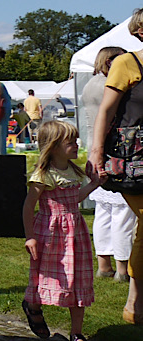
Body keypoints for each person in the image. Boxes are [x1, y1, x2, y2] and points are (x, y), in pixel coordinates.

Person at [20, 120, 101, 341]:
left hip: (75, 233)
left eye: (76, 140)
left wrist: (94, 184)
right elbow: (29, 206)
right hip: (50, 232)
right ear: (53, 146)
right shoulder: (44, 174)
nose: (76, 145)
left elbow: (74, 199)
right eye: (70, 142)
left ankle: (76, 333)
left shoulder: (74, 171)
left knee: (78, 279)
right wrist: (30, 237)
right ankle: (33, 306)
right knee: (47, 275)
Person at [88, 7, 143, 326]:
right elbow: (105, 112)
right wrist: (96, 153)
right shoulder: (127, 63)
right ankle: (135, 299)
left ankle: (134, 300)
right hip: (135, 161)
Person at [84, 46, 134, 283]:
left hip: (94, 148)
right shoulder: (109, 85)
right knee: (122, 212)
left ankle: (104, 263)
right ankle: (122, 268)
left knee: (103, 212)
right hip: (112, 150)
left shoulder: (89, 84)